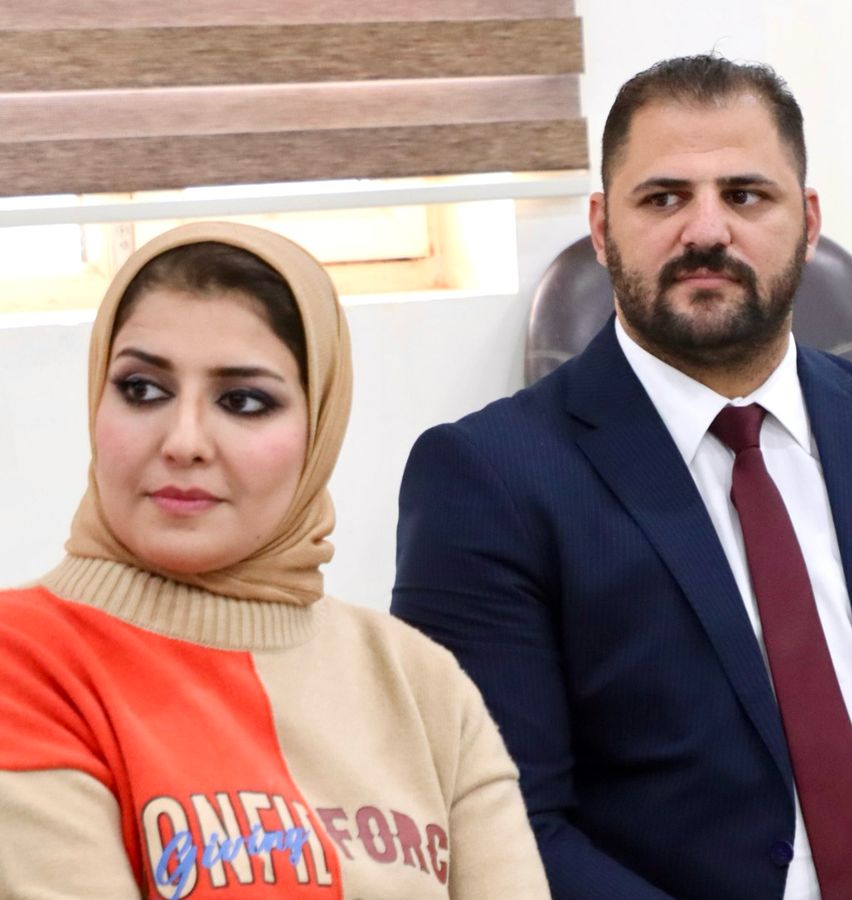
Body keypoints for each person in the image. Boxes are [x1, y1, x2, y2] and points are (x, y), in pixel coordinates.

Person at [391, 55, 852, 900]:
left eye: (745, 196)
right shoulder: (489, 481)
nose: (706, 231)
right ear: (601, 228)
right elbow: (503, 834)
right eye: (663, 198)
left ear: (808, 222)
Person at [0, 222, 549, 898]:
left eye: (243, 401)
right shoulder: (22, 658)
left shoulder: (421, 684)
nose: (184, 440)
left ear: (320, 427)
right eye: (142, 389)